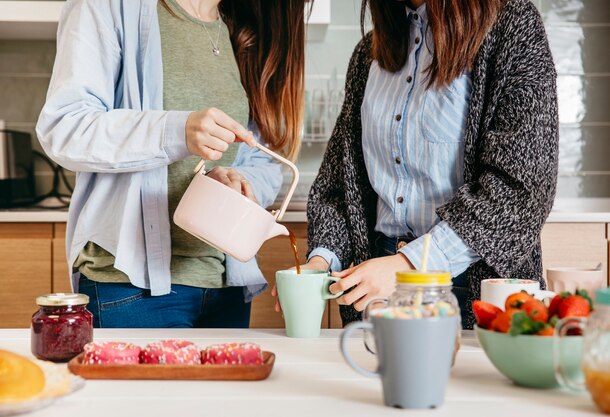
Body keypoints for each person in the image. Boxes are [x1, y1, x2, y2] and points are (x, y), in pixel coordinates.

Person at [36, 0, 305, 328]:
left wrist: (239, 179)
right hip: (131, 291)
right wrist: (178, 130)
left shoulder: (243, 27)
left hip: (225, 289)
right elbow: (65, 127)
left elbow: (261, 155)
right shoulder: (111, 6)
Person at [301, 0, 559, 329]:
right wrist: (320, 263)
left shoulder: (510, 25)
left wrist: (409, 265)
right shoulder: (370, 52)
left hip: (474, 290)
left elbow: (522, 187)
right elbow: (340, 186)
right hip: (378, 283)